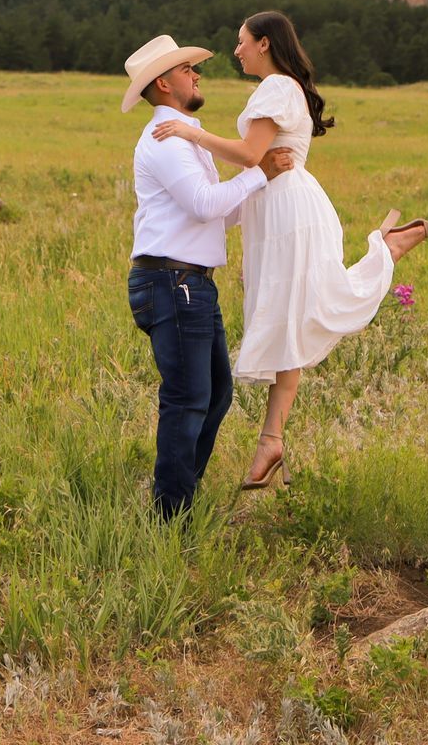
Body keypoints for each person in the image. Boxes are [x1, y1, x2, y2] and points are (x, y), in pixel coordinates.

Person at [152, 11, 428, 489]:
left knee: (309, 309)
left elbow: (250, 156)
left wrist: (193, 132)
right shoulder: (276, 89)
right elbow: (257, 163)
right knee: (291, 319)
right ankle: (271, 442)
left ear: (264, 43)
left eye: (242, 42)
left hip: (288, 211)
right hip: (273, 212)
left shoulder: (278, 88)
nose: (236, 50)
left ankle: (387, 248)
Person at [123, 34, 295, 518]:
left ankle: (179, 501)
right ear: (164, 82)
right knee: (189, 399)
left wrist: (266, 185)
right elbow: (203, 205)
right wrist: (258, 171)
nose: (196, 75)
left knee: (214, 393)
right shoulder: (167, 139)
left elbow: (217, 214)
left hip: (187, 283)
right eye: (187, 70)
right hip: (173, 283)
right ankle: (169, 517)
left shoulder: (183, 135)